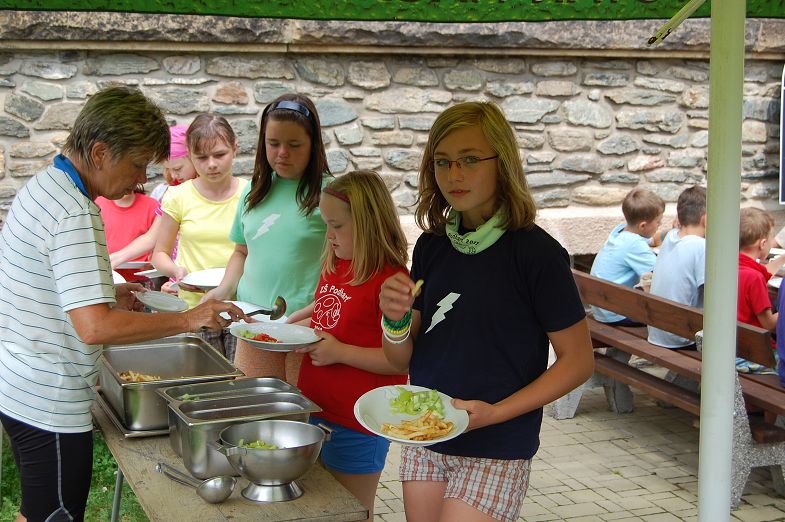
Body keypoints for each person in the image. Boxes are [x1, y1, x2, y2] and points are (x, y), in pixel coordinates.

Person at [0, 86, 244, 522]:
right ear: (99, 153)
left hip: (20, 384)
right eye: (136, 164)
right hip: (49, 399)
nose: (141, 179)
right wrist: (189, 319)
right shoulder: (74, 212)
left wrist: (107, 293)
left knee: (38, 511)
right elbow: (94, 327)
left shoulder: (45, 186)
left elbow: (46, 286)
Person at [378, 101, 594, 522]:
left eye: (470, 159)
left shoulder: (537, 254)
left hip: (498, 444)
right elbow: (399, 359)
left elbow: (579, 361)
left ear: (503, 163)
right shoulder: (431, 246)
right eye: (442, 162)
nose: (454, 174)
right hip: (425, 433)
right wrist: (395, 321)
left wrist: (496, 413)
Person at [283, 170, 410, 520]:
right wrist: (290, 327)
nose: (329, 234)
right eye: (326, 224)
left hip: (359, 423)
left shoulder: (392, 282)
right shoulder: (336, 263)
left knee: (353, 512)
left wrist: (339, 352)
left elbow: (398, 362)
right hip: (317, 410)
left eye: (336, 225)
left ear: (368, 225)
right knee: (322, 509)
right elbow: (333, 316)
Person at [203, 94, 330, 381]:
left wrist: (318, 311)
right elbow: (242, 251)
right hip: (252, 326)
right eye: (273, 143)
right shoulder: (253, 190)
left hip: (305, 328)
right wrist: (223, 290)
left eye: (294, 145)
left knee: (301, 405)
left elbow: (349, 267)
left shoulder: (330, 194)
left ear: (313, 144)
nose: (282, 153)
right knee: (252, 404)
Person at [150, 114, 248, 361]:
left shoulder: (251, 192)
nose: (211, 164)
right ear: (190, 157)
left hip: (243, 305)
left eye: (219, 154)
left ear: (235, 149)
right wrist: (176, 271)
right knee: (206, 377)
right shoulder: (178, 196)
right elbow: (159, 254)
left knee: (242, 378)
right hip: (196, 307)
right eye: (201, 158)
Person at [590, 187, 664, 325]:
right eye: (658, 222)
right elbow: (662, 271)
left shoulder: (620, 231)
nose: (659, 225)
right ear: (643, 226)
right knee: (667, 313)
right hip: (616, 314)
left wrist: (673, 232)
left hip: (602, 308)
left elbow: (653, 240)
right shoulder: (634, 244)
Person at [647, 185, 707, 349]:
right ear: (705, 219)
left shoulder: (671, 237)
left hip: (658, 331)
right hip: (681, 337)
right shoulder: (701, 247)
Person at [736, 207, 779, 374]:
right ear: (762, 244)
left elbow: (761, 273)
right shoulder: (754, 278)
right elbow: (769, 325)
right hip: (754, 355)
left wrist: (782, 259)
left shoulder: (729, 264)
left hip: (733, 347)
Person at [96, 187, 160, 281]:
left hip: (139, 279)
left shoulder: (152, 206)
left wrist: (154, 260)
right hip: (104, 276)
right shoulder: (97, 204)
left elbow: (158, 243)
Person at [150, 124, 197, 202]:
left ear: (194, 159)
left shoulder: (208, 190)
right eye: (167, 169)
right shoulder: (162, 192)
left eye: (177, 169)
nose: (173, 176)